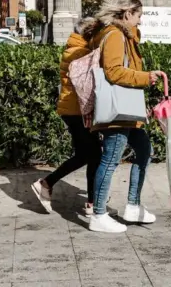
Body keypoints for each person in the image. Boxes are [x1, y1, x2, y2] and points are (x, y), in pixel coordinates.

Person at [81, 0, 162, 234]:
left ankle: (133, 206)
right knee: (111, 159)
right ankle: (98, 215)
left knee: (144, 149)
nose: (140, 22)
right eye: (139, 16)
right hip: (116, 110)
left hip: (125, 110)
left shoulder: (120, 34)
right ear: (127, 14)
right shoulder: (115, 35)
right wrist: (146, 77)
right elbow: (115, 72)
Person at [31, 19, 102, 216]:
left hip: (72, 110)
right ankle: (89, 201)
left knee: (86, 154)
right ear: (90, 34)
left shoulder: (75, 47)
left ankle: (89, 199)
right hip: (77, 111)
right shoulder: (81, 52)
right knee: (94, 154)